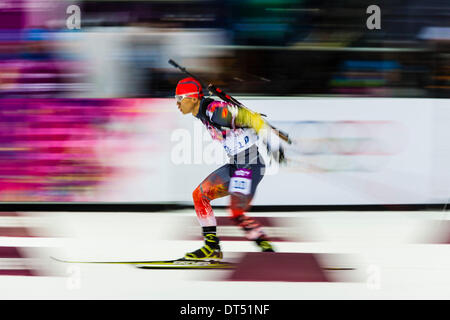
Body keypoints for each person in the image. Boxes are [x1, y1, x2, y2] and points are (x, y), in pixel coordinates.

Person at [175, 77, 285, 260]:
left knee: (235, 212)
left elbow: (252, 119)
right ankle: (211, 247)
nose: (177, 103)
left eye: (180, 98)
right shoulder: (204, 110)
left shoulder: (214, 111)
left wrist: (272, 143)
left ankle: (265, 246)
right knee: (200, 196)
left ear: (193, 98)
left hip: (249, 165)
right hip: (236, 164)